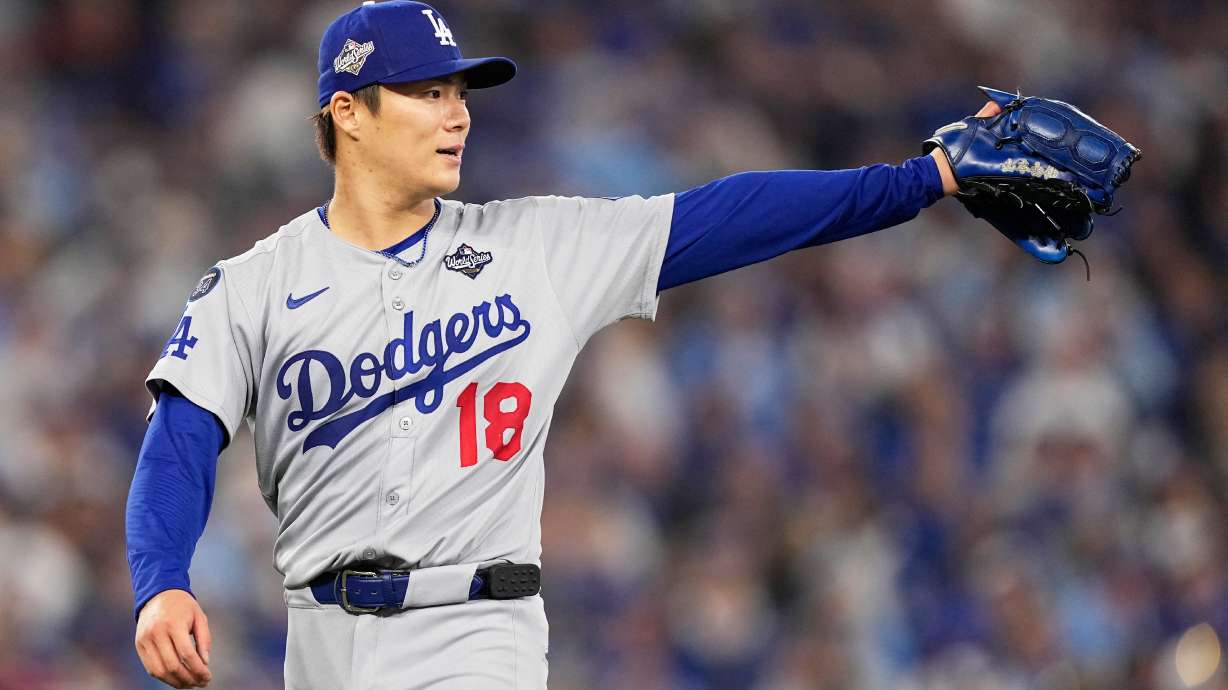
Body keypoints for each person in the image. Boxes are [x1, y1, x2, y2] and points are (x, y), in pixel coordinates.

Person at [125, 1, 999, 688]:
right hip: (319, 641)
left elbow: (728, 217)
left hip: (478, 627)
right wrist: (161, 579)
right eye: (429, 92)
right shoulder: (253, 283)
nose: (457, 115)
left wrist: (921, 179)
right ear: (347, 113)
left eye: (460, 93)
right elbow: (180, 441)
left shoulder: (535, 246)